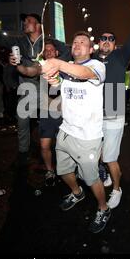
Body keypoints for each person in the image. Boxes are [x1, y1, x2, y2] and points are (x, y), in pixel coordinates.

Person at [0, 0, 70, 162]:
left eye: (29, 21)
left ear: (38, 25)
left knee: (59, 123)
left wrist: (56, 63)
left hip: (49, 92)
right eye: (24, 22)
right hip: (27, 90)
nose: (25, 23)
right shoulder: (18, 41)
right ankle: (23, 153)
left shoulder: (49, 42)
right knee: (22, 121)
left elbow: (67, 51)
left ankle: (62, 152)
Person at [41, 31, 110, 234]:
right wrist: (55, 81)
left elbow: (84, 74)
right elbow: (63, 85)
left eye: (83, 42)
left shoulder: (97, 66)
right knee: (63, 171)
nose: (77, 44)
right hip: (66, 131)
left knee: (91, 178)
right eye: (75, 42)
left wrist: (57, 63)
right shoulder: (67, 67)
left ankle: (103, 208)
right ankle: (77, 193)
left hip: (88, 136)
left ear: (90, 49)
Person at [94, 0, 130, 209]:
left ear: (115, 44)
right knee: (96, 153)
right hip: (94, 113)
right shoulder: (91, 60)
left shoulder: (120, 55)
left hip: (114, 111)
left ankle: (117, 188)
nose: (106, 40)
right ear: (98, 42)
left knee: (109, 157)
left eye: (111, 39)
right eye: (103, 38)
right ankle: (106, 174)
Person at [9, 40, 63, 186]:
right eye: (46, 50)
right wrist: (18, 65)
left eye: (52, 49)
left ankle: (66, 171)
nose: (49, 51)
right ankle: (50, 171)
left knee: (63, 147)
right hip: (47, 113)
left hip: (64, 115)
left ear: (57, 52)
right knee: (45, 146)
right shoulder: (41, 67)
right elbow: (29, 71)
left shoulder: (66, 65)